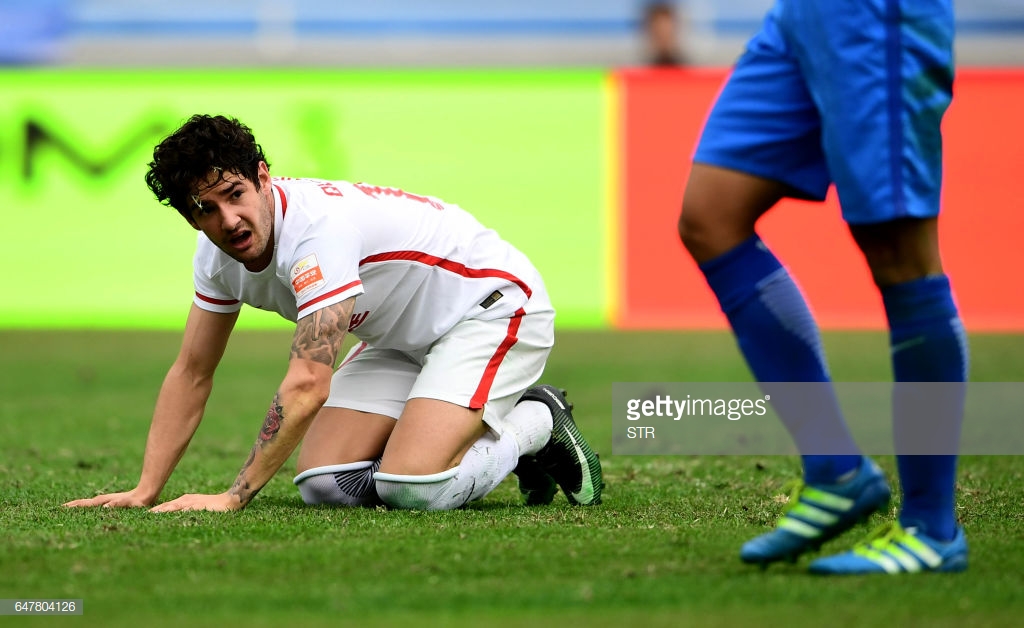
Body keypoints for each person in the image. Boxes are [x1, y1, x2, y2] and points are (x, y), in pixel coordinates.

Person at [65, 114, 603, 513]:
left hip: (491, 307)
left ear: (263, 176)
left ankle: (536, 421)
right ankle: (453, 425)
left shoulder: (317, 233)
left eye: (234, 194)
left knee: (412, 487)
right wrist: (146, 489)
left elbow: (306, 386)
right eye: (205, 210)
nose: (229, 220)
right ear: (190, 219)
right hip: (400, 335)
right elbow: (192, 371)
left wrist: (233, 496)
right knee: (327, 483)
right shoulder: (215, 258)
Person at [677, 0, 968, 574]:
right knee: (710, 218)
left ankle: (932, 527)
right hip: (802, 16)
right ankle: (836, 469)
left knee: (900, 254)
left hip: (873, 16)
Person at [642, 2, 687, 67]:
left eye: (667, 33)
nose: (663, 38)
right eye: (659, 33)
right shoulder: (641, 68)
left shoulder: (689, 68)